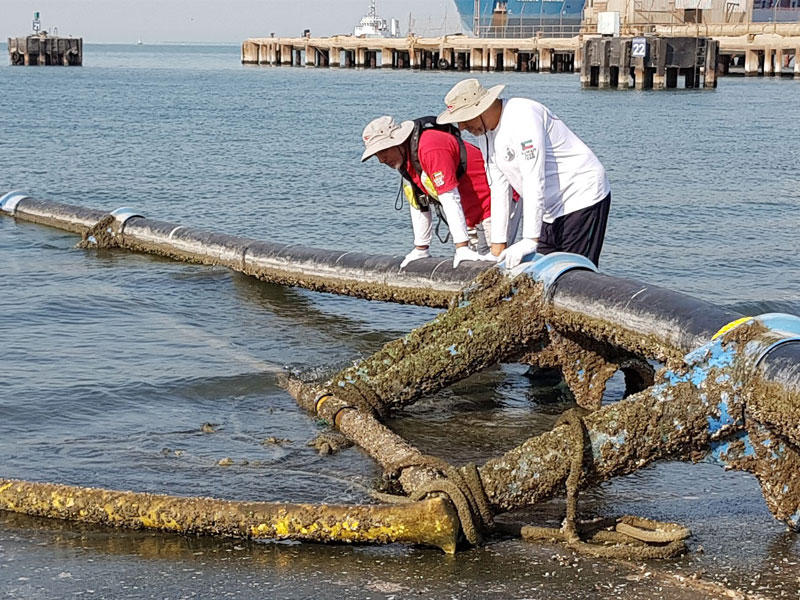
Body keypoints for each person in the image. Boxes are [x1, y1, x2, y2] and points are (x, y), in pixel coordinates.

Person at [436, 79, 611, 268]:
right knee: (541, 271)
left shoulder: (522, 116)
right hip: (549, 209)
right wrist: (497, 249)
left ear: (481, 109)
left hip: (582, 195)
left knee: (572, 270)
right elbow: (499, 188)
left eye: (464, 119)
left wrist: (529, 239)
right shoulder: (485, 135)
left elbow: (533, 179)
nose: (461, 127)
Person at [361, 115, 510, 269]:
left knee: (493, 266)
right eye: (376, 154)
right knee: (473, 269)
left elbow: (450, 197)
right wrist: (421, 248)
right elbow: (418, 204)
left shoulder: (430, 147)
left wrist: (462, 247)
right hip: (470, 217)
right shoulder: (404, 160)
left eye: (383, 151)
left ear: (398, 141)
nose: (381, 160)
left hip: (492, 207)